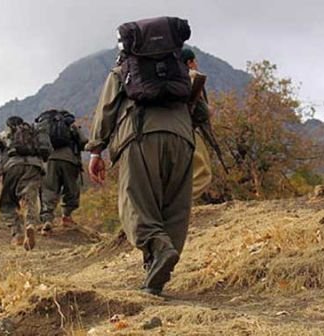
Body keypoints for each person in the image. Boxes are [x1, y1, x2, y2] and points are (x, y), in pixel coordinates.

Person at [87, 17, 194, 296]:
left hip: (141, 136)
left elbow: (106, 110)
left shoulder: (123, 69)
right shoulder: (180, 67)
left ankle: (159, 250)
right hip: (183, 139)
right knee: (174, 208)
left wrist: (96, 150)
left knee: (135, 203)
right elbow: (201, 108)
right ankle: (155, 274)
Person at [0, 116, 49, 251]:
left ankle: (17, 234)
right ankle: (30, 224)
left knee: (8, 203)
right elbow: (47, 151)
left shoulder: (5, 134)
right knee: (30, 199)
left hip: (13, 167)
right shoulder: (34, 134)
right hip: (34, 167)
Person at [38, 110, 88, 233]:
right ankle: (67, 217)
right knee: (70, 188)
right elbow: (83, 141)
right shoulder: (70, 124)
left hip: (49, 160)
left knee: (49, 189)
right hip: (69, 159)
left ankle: (47, 219)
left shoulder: (45, 126)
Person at [182, 48, 213, 199]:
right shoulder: (191, 78)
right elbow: (203, 113)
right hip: (184, 130)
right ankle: (177, 206)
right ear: (189, 62)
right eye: (194, 61)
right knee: (203, 172)